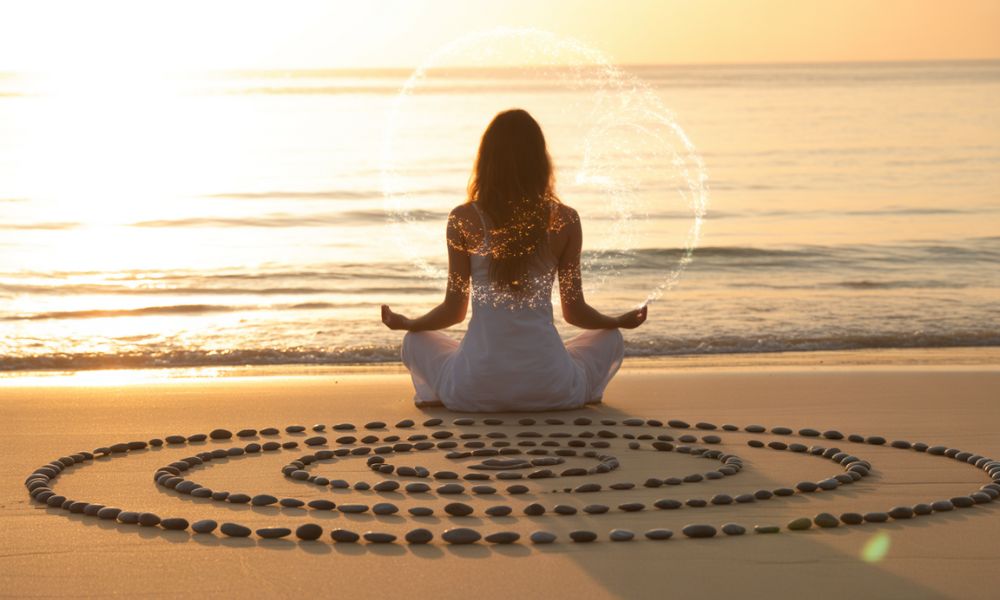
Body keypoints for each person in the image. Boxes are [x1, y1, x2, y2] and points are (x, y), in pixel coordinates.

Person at [381, 108, 647, 412]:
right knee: (610, 338)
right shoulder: (565, 220)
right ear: (540, 161)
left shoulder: (463, 219)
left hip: (473, 390)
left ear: (486, 160)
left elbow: (454, 311)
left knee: (414, 341)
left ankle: (441, 393)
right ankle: (582, 390)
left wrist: (409, 323)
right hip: (552, 387)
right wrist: (617, 321)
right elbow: (575, 312)